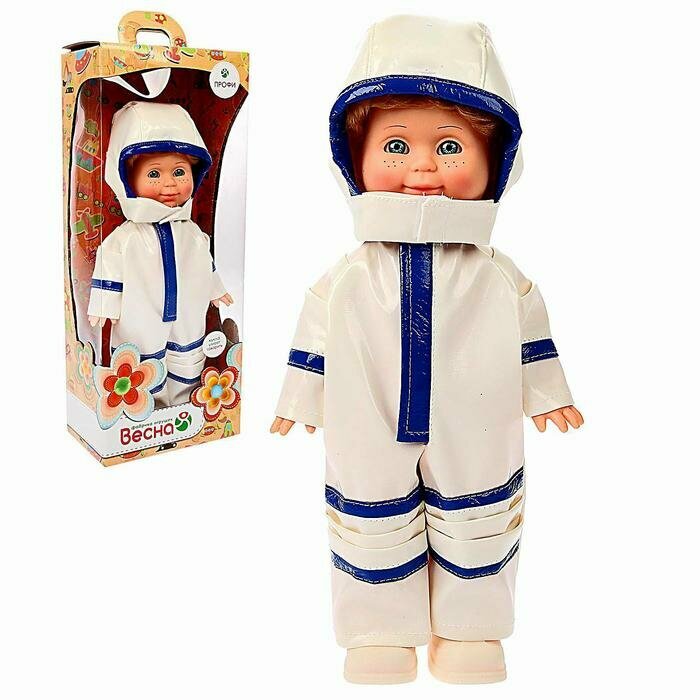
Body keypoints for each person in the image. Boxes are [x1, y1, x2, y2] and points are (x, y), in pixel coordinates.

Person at [271, 16, 584, 684]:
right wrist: (300, 397)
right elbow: (316, 329)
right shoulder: (351, 274)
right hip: (366, 418)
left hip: (478, 418)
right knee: (369, 516)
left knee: (479, 516)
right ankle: (378, 633)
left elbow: (530, 331)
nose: (421, 166)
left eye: (448, 145)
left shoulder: (495, 276)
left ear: (496, 160)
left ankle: (470, 631)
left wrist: (547, 393)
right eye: (395, 145)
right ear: (353, 158)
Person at [88, 101, 232, 407]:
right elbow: (109, 265)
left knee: (188, 353)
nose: (169, 183)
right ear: (126, 178)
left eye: (179, 171)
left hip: (188, 311)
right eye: (154, 173)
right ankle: (145, 406)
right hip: (140, 311)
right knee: (141, 356)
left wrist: (216, 289)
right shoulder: (126, 238)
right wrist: (104, 303)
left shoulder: (191, 233)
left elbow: (202, 264)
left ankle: (182, 402)